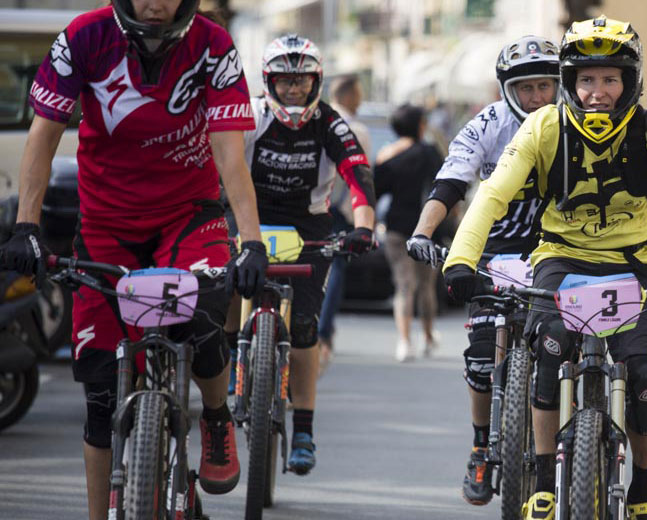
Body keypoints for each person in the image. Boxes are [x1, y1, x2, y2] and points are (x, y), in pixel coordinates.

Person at [441, 16, 647, 520]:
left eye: (609, 79)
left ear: (630, 82)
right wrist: (461, 259)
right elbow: (492, 194)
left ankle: (643, 489)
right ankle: (542, 481)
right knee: (548, 351)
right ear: (570, 83)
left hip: (639, 264)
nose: (597, 92)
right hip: (561, 258)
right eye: (585, 79)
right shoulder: (543, 127)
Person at [0, 0, 268, 517]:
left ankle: (215, 417)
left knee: (207, 316)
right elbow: (42, 135)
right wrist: (27, 227)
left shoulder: (212, 45)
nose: (156, 4)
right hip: (106, 225)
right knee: (99, 402)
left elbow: (229, 156)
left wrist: (251, 241)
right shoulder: (83, 36)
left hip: (189, 216)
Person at [405, 34, 559, 506]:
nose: (536, 98)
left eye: (545, 86)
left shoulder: (571, 123)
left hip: (556, 249)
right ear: (506, 90)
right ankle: (479, 442)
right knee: (479, 358)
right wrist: (423, 233)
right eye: (525, 88)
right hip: (494, 250)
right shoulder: (486, 124)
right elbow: (451, 181)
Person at [234, 34, 376, 474]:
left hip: (310, 229)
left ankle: (304, 432)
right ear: (268, 83)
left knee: (303, 328)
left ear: (316, 82)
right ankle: (222, 403)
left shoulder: (332, 123)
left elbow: (357, 177)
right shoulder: (251, 116)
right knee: (215, 308)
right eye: (284, 82)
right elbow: (219, 167)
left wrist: (363, 228)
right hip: (247, 220)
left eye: (301, 81)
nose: (293, 90)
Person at [375, 104, 442, 361]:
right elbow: (444, 185)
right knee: (426, 286)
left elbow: (376, 192)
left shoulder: (386, 156)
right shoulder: (428, 152)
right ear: (419, 126)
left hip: (395, 228)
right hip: (426, 229)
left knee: (404, 286)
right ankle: (427, 337)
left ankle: (404, 342)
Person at [316, 74, 373, 369]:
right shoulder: (356, 129)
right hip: (340, 209)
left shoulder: (315, 119)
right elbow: (362, 177)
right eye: (360, 93)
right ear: (349, 95)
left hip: (314, 207)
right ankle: (322, 331)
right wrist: (362, 222)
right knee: (334, 268)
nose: (361, 99)